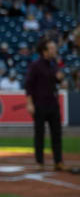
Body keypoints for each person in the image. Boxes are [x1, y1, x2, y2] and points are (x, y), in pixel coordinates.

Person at [25, 38, 65, 172]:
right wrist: (29, 103)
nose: (55, 50)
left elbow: (57, 81)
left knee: (57, 134)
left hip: (53, 104)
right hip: (40, 105)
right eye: (52, 48)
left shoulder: (54, 65)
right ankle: (39, 162)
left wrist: (60, 79)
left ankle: (58, 162)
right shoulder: (35, 66)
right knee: (39, 134)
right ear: (45, 51)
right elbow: (28, 85)